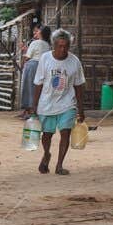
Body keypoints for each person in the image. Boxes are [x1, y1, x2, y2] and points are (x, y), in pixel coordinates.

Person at [31, 29, 86, 176]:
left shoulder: (74, 62)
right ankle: (47, 154)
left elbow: (79, 85)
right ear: (53, 45)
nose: (62, 49)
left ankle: (59, 165)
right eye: (60, 46)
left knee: (65, 133)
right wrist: (34, 105)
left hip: (67, 103)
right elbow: (38, 83)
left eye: (65, 46)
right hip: (47, 103)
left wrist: (81, 109)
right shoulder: (45, 59)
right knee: (47, 135)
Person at [18, 22, 51, 119]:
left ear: (41, 33)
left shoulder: (35, 43)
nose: (36, 33)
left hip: (32, 66)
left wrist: (23, 63)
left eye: (38, 31)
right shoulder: (47, 45)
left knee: (28, 87)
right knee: (36, 88)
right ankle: (34, 110)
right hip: (41, 67)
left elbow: (28, 57)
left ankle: (29, 110)